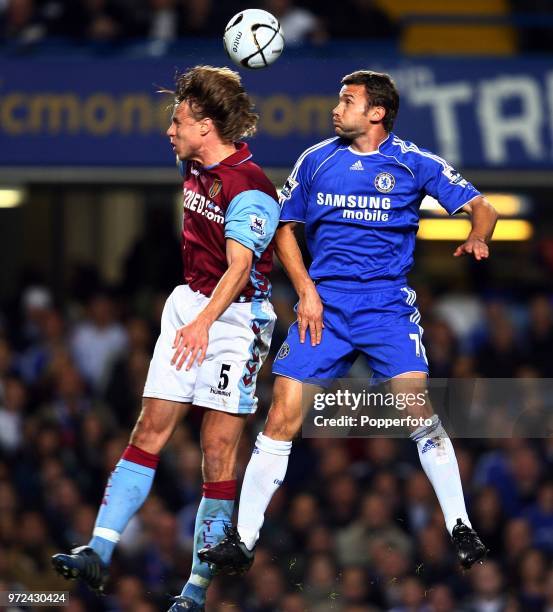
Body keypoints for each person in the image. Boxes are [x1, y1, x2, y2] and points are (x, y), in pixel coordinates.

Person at [200, 70, 496, 575]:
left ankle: (460, 527)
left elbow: (482, 207)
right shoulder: (316, 161)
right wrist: (306, 292)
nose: (337, 109)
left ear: (376, 112)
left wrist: (479, 236)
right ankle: (242, 539)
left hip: (385, 307)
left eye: (348, 100)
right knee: (281, 415)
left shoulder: (412, 162)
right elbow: (285, 230)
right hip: (326, 306)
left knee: (415, 409)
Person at [51, 65, 280, 612]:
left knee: (217, 449)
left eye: (177, 120)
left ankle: (195, 590)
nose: (169, 131)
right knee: (150, 425)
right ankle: (98, 550)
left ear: (204, 125)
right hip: (189, 304)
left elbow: (241, 268)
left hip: (235, 319)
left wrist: (204, 324)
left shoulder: (251, 190)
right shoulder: (195, 162)